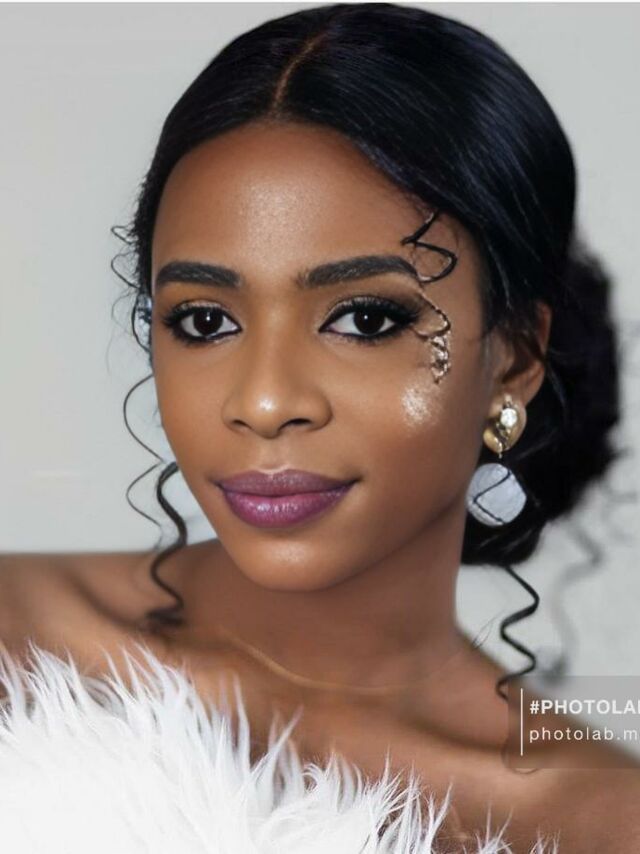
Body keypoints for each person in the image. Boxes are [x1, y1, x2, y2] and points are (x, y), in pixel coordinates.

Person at [1, 3, 638, 851]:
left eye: (366, 320)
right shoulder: (17, 637)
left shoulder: (598, 824)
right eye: (204, 321)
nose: (265, 403)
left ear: (515, 355)